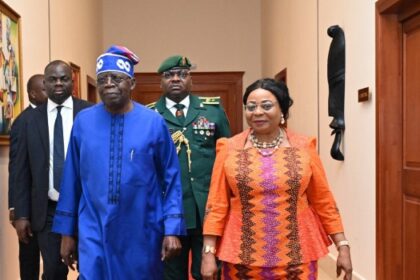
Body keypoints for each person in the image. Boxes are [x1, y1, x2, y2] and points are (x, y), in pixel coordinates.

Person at [52, 46, 186, 279]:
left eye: (117, 78)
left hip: (142, 230)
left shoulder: (153, 123)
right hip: (94, 229)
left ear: (132, 84)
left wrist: (172, 229)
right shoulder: (83, 122)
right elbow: (71, 179)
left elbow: (171, 178)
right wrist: (66, 233)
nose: (109, 84)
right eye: (103, 79)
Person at [201, 78, 353, 280]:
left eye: (266, 106)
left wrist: (342, 246)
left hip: (297, 253)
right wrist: (208, 252)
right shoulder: (229, 148)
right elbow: (216, 205)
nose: (257, 112)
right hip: (242, 255)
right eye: (251, 107)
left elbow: (323, 200)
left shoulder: (303, 146)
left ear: (282, 110)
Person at [147, 55, 231, 280]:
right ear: (161, 82)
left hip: (207, 209)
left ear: (191, 80)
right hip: (167, 211)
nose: (176, 79)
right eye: (169, 75)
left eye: (182, 74)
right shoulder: (149, 116)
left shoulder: (212, 111)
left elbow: (227, 157)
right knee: (171, 274)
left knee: (208, 272)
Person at [13, 61, 92, 279]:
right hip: (48, 210)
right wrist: (20, 213)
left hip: (85, 207)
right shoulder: (28, 121)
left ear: (72, 82)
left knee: (90, 267)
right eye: (53, 79)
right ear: (45, 83)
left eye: (64, 78)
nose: (58, 83)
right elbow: (20, 171)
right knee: (54, 270)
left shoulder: (90, 113)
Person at [8, 74, 47, 280]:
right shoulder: (23, 122)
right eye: (44, 89)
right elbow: (16, 169)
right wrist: (16, 209)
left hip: (49, 206)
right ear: (32, 93)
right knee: (29, 260)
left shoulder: (49, 117)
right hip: (29, 207)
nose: (50, 92)